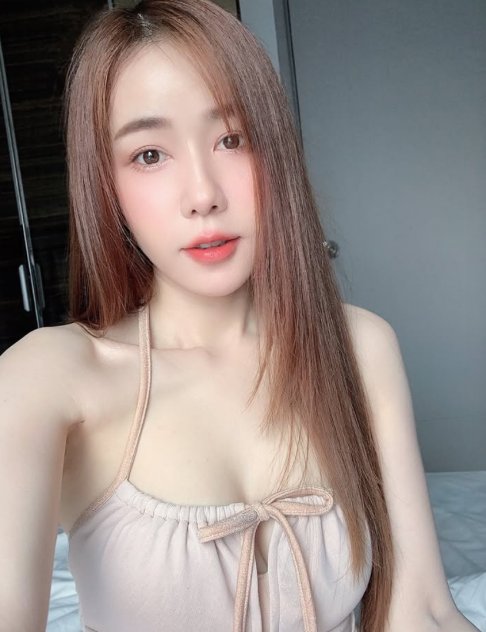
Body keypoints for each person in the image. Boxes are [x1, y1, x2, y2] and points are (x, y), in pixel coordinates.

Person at [0, 1, 478, 631]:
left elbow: (422, 610)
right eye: (150, 155)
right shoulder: (48, 377)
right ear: (106, 185)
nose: (204, 195)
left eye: (232, 139)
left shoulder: (359, 345)